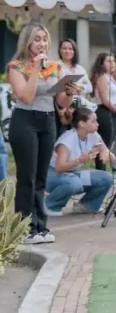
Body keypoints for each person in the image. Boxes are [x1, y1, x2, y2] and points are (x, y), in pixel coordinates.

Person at [6, 23, 70, 244]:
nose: (42, 43)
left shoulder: (54, 67)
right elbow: (26, 96)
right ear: (27, 42)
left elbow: (61, 101)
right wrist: (35, 69)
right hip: (25, 122)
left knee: (41, 177)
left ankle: (41, 226)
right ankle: (25, 229)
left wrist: (68, 91)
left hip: (48, 121)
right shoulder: (16, 67)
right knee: (28, 177)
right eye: (37, 39)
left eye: (44, 38)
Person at [45, 108, 113, 215]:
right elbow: (59, 167)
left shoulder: (94, 135)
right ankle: (49, 205)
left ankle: (87, 206)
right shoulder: (67, 139)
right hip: (53, 174)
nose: (97, 124)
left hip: (72, 173)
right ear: (82, 124)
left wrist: (106, 153)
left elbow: (107, 152)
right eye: (93, 121)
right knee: (74, 183)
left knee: (106, 178)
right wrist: (80, 160)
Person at [90, 52, 116, 176]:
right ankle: (100, 173)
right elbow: (105, 100)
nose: (112, 64)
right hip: (104, 112)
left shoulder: (111, 77)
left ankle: (104, 173)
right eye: (108, 61)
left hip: (112, 111)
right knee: (104, 144)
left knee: (109, 144)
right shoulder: (101, 77)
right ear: (102, 64)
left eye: (113, 61)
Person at [54, 39, 91, 136]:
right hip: (61, 107)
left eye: (70, 49)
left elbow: (90, 87)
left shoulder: (80, 69)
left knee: (78, 135)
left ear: (74, 51)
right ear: (60, 50)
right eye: (64, 48)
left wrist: (80, 88)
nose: (67, 51)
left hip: (78, 106)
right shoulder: (55, 66)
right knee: (63, 135)